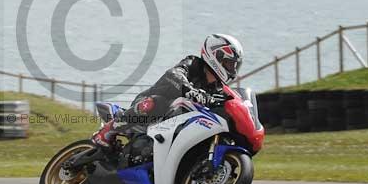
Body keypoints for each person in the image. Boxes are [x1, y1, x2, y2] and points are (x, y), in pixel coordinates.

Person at [92, 33, 256, 149]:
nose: (232, 69)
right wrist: (190, 90)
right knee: (157, 102)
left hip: (177, 124)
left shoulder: (218, 89)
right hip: (152, 107)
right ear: (216, 56)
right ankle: (109, 130)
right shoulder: (193, 64)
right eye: (229, 63)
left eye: (234, 65)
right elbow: (174, 74)